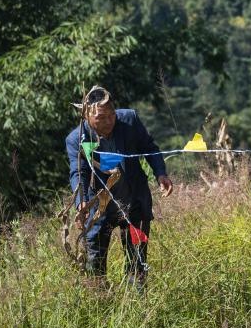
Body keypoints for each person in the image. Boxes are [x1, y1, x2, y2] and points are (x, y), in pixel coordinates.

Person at [65, 85, 173, 285]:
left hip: (134, 205)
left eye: (111, 115)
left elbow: (150, 148)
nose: (108, 121)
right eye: (101, 118)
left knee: (137, 262)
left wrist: (161, 173)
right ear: (86, 116)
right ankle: (100, 301)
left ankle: (138, 302)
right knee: (95, 266)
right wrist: (81, 202)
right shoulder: (76, 139)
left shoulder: (129, 120)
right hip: (99, 209)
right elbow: (78, 172)